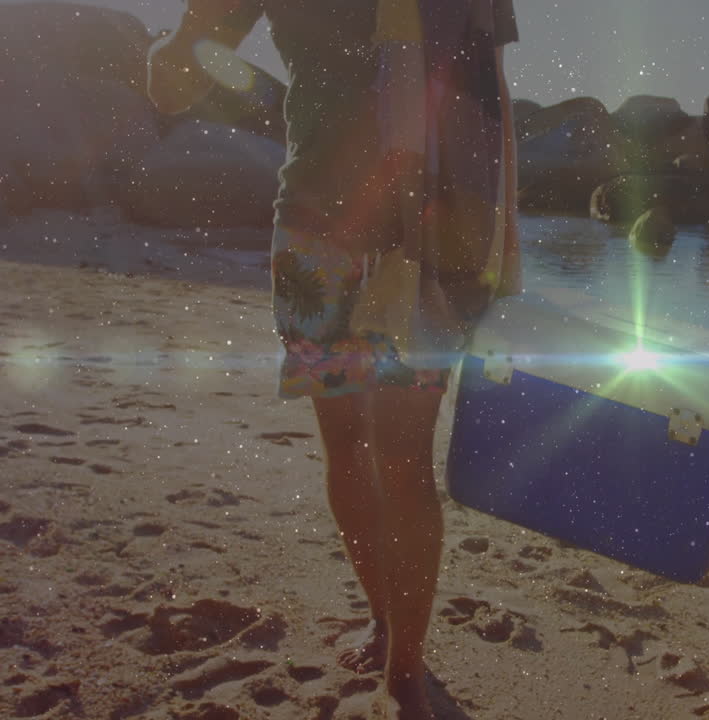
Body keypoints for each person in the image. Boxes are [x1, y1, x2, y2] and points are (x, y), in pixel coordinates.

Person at [147, 1, 521, 717]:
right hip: (320, 228)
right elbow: (178, 82)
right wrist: (185, 40)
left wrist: (506, 237)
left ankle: (405, 673)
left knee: (403, 454)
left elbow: (491, 93)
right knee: (347, 441)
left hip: (433, 231)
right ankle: (384, 621)